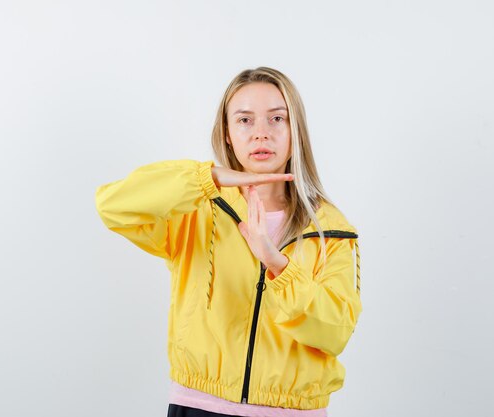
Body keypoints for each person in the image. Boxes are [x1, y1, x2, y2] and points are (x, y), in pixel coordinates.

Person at [94, 66, 363, 417]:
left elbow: (334, 332)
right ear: (227, 133)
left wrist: (277, 264)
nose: (261, 134)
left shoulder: (332, 229)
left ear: (295, 130)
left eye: (277, 119)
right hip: (199, 405)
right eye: (245, 120)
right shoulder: (197, 209)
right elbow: (113, 206)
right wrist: (208, 178)